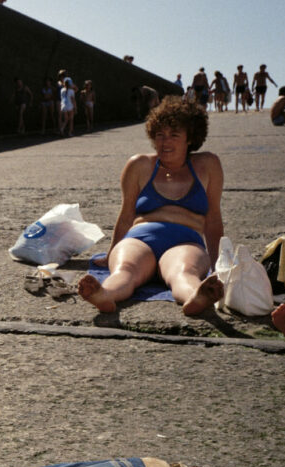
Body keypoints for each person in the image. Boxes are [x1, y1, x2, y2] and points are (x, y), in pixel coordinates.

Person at [78, 97, 225, 317]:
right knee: (125, 269)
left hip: (186, 241)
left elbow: (213, 219)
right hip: (140, 238)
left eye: (174, 135)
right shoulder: (139, 165)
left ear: (190, 138)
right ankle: (105, 294)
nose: (165, 142)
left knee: (184, 271)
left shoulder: (208, 165)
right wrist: (111, 253)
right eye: (160, 135)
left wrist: (218, 264)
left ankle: (196, 296)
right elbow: (126, 214)